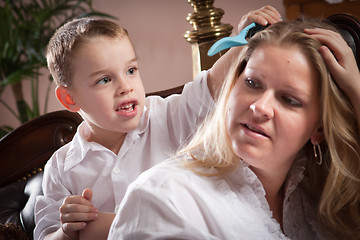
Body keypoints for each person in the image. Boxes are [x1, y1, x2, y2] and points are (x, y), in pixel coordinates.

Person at [34, 6, 283, 240]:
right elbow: (46, 235)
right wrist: (66, 231)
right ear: (70, 98)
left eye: (131, 70)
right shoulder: (60, 168)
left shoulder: (167, 116)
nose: (125, 87)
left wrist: (245, 39)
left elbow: (210, 87)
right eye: (104, 80)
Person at [107, 17, 360, 240]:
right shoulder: (165, 198)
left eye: (289, 100)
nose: (260, 107)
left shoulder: (321, 205)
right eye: (252, 83)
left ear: (319, 130)